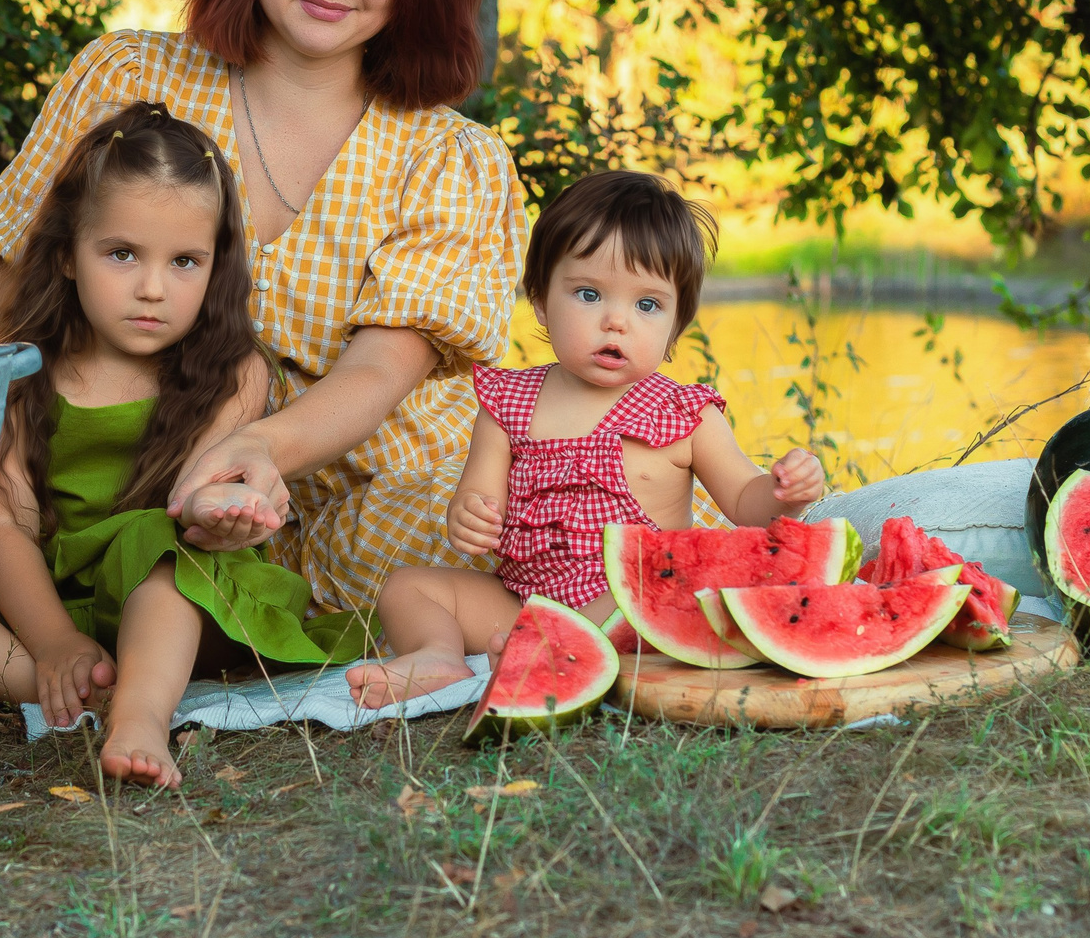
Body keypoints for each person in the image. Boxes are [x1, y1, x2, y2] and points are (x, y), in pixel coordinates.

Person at [0, 0, 525, 626]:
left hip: (388, 494)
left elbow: (378, 370)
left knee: (565, 569)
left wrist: (255, 448)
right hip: (164, 501)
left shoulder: (449, 158)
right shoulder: (129, 80)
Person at [0, 105, 370, 788]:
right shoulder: (19, 367)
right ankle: (52, 684)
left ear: (216, 268)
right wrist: (52, 640)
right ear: (69, 253)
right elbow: (3, 523)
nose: (153, 287)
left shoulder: (231, 371)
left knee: (156, 548)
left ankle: (139, 714)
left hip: (176, 585)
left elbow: (196, 504)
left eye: (185, 261)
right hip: (47, 590)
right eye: (122, 253)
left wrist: (226, 514)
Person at [347, 172, 829, 705]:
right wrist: (469, 516)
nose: (615, 321)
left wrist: (785, 492)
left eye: (647, 305)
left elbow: (745, 504)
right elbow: (478, 501)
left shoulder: (685, 415)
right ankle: (438, 655)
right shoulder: (507, 403)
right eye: (588, 294)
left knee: (663, 592)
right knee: (409, 588)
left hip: (630, 601)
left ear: (675, 327)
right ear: (539, 301)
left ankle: (545, 653)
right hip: (522, 601)